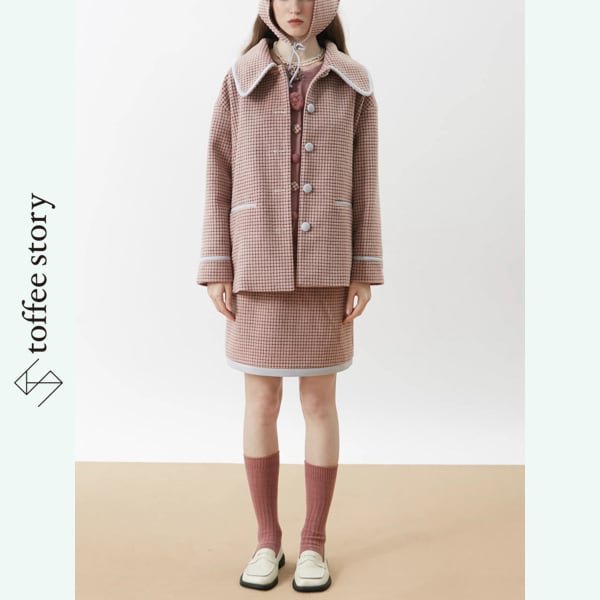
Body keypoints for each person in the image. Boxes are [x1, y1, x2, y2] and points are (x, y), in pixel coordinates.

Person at [196, 0, 383, 592]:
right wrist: (217, 264)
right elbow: (218, 174)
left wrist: (364, 268)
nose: (296, 5)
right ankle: (266, 541)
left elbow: (366, 181)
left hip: (328, 267)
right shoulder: (239, 79)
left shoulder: (355, 84)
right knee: (260, 404)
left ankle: (314, 545)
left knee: (320, 405)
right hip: (255, 267)